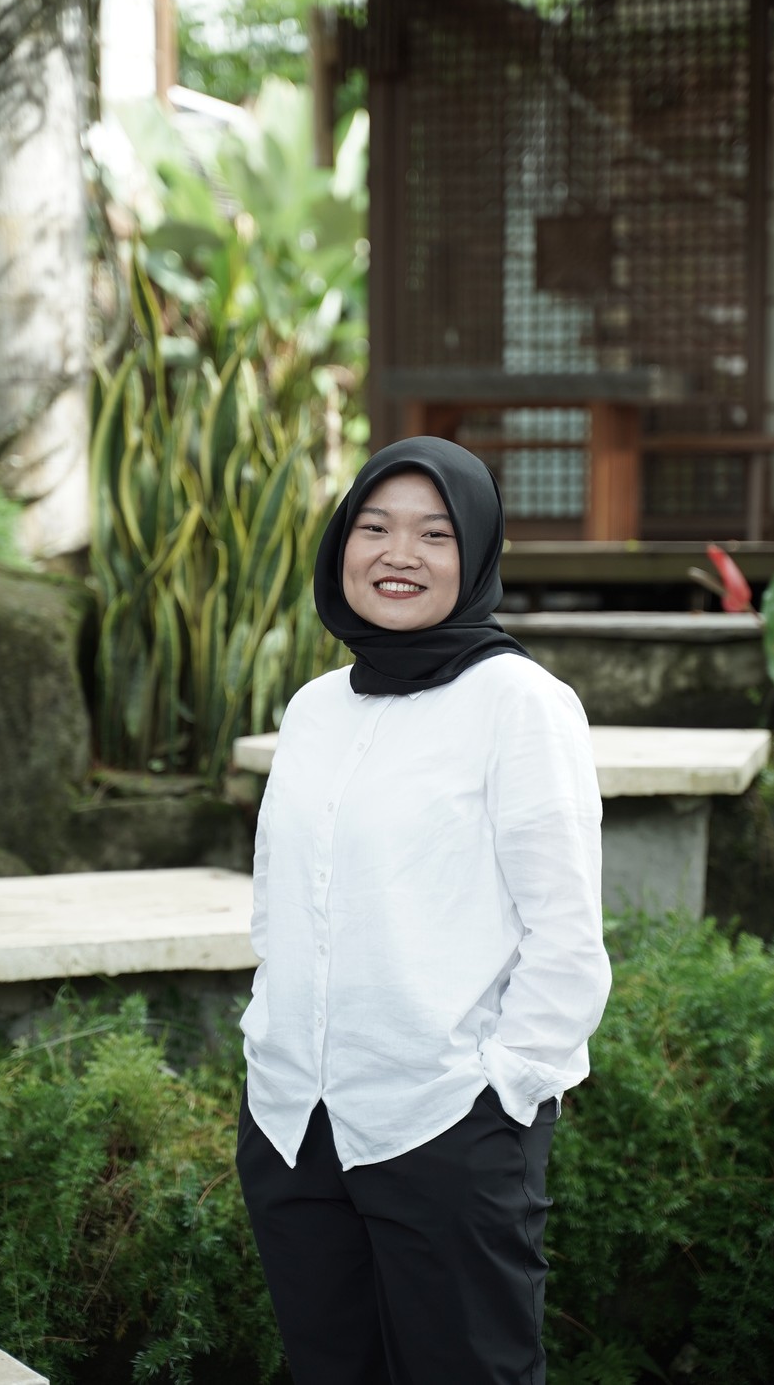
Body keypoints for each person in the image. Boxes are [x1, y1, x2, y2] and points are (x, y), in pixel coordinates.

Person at [236, 436, 611, 1385]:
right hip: (294, 1121)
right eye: (375, 528)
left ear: (476, 554)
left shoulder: (519, 703)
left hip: (445, 1121)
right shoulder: (314, 710)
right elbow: (280, 898)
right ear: (341, 546)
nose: (400, 555)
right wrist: (267, 1038)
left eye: (434, 534)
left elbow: (565, 933)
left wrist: (506, 1093)